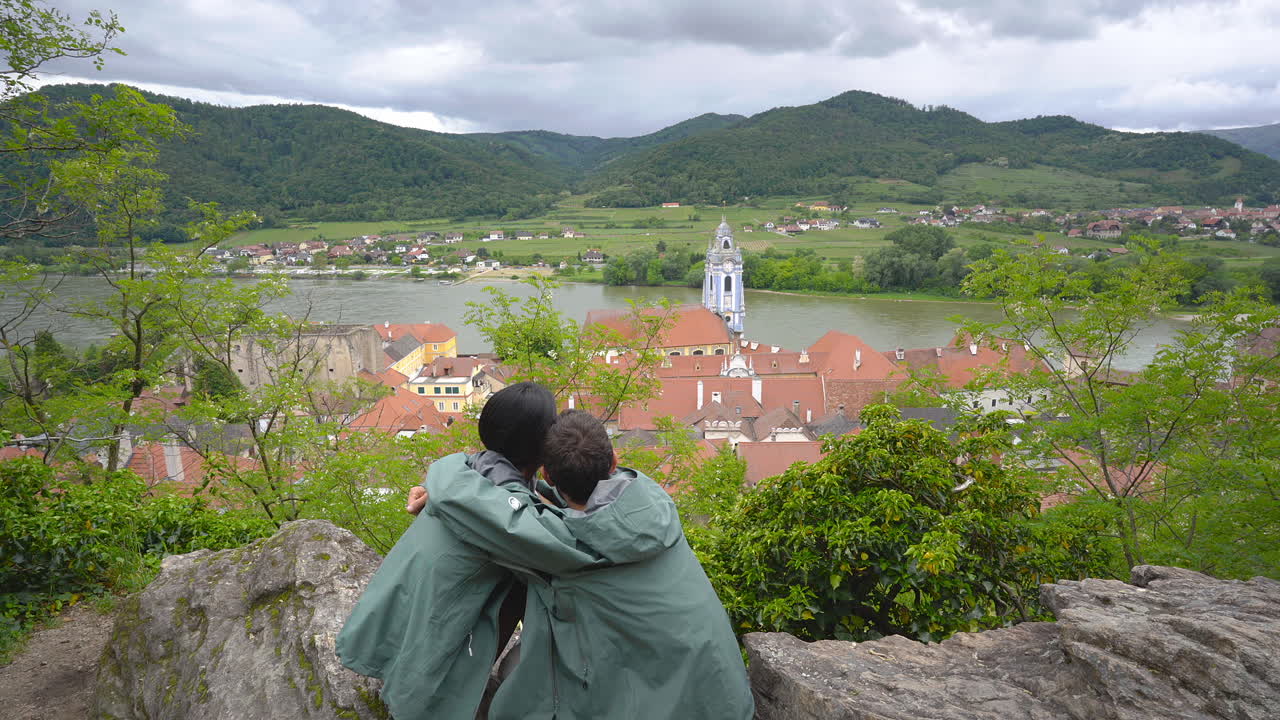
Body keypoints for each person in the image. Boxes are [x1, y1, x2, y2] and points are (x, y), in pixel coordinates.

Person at [418, 409, 755, 720]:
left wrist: (449, 491)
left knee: (518, 672)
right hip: (722, 697)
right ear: (614, 460)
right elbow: (561, 507)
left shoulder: (563, 546)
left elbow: (475, 501)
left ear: (547, 471)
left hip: (654, 705)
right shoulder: (649, 502)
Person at [335, 381, 588, 720]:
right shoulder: (505, 518)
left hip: (397, 618)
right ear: (540, 444)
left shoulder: (468, 469)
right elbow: (564, 556)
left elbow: (521, 500)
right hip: (430, 643)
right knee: (536, 586)